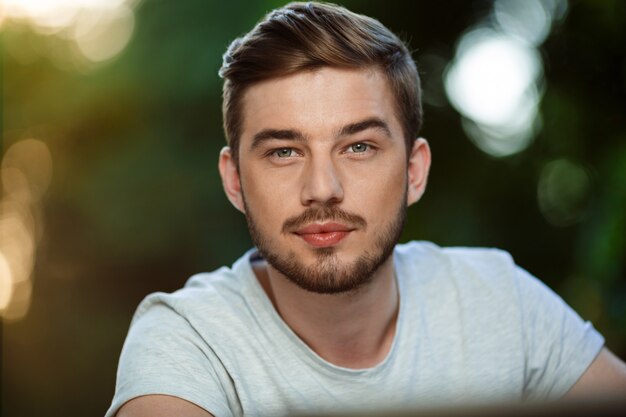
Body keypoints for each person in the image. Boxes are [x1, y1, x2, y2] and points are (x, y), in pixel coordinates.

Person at [106, 2, 626, 416]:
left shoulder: (498, 300)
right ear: (235, 181)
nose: (323, 189)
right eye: (284, 152)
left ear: (414, 172)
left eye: (358, 147)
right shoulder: (187, 339)